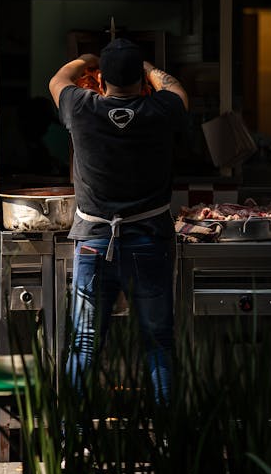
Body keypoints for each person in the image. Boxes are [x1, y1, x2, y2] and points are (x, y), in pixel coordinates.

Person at [49, 38, 189, 401]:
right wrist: (145, 67)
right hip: (149, 242)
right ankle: (166, 441)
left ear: (100, 79)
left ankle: (72, 442)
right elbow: (175, 88)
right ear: (141, 81)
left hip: (95, 243)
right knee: (158, 342)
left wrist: (85, 58)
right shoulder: (161, 110)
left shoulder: (81, 107)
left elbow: (58, 80)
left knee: (84, 344)